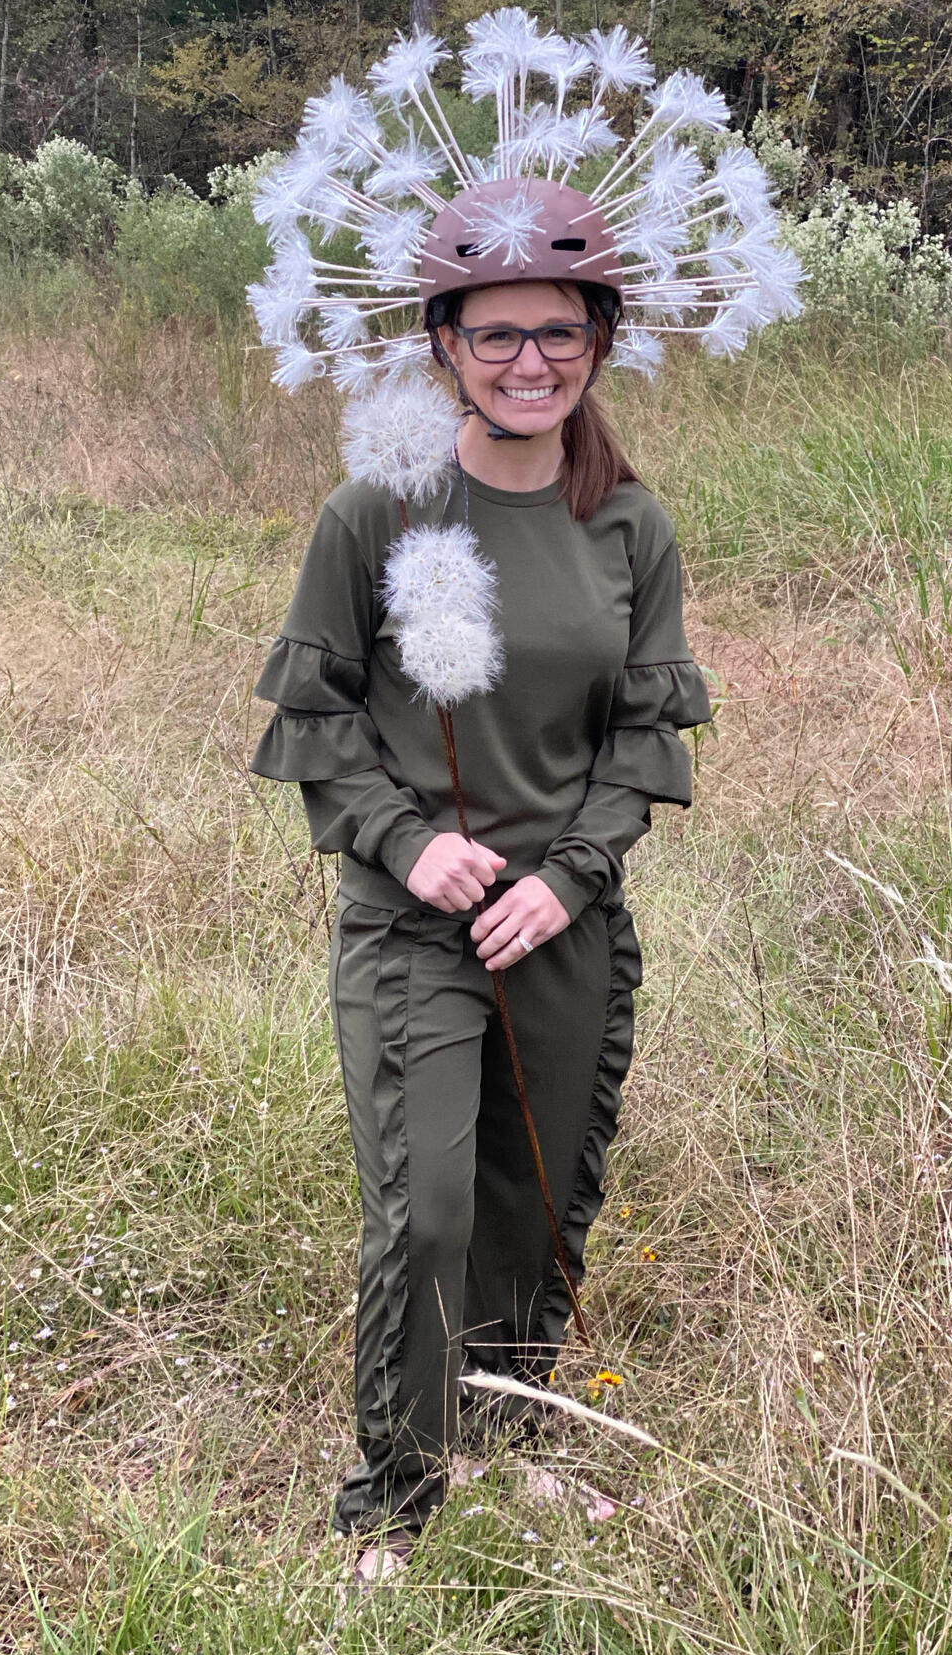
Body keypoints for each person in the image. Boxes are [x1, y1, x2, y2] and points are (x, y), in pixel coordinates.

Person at [249, 189, 712, 1583]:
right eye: (496, 334)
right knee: (432, 1204)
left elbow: (642, 738)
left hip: (561, 924)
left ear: (600, 339)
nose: (529, 362)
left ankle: (509, 1441)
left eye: (558, 333)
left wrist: (571, 877)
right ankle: (393, 1497)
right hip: (416, 926)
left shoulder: (627, 526)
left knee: (535, 1200)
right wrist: (407, 843)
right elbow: (316, 715)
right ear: (442, 342)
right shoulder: (375, 512)